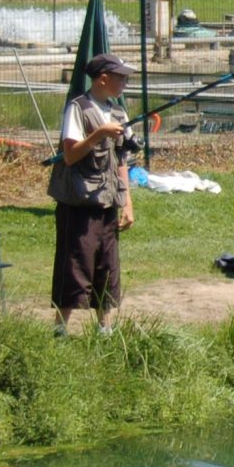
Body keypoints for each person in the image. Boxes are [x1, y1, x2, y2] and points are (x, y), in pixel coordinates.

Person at [50, 52, 137, 337]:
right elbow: (71, 155)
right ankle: (60, 330)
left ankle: (105, 330)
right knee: (75, 264)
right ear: (103, 79)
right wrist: (99, 133)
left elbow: (122, 161)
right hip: (79, 203)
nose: (124, 83)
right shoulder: (77, 108)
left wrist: (127, 203)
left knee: (107, 267)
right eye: (120, 78)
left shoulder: (118, 113)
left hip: (108, 203)